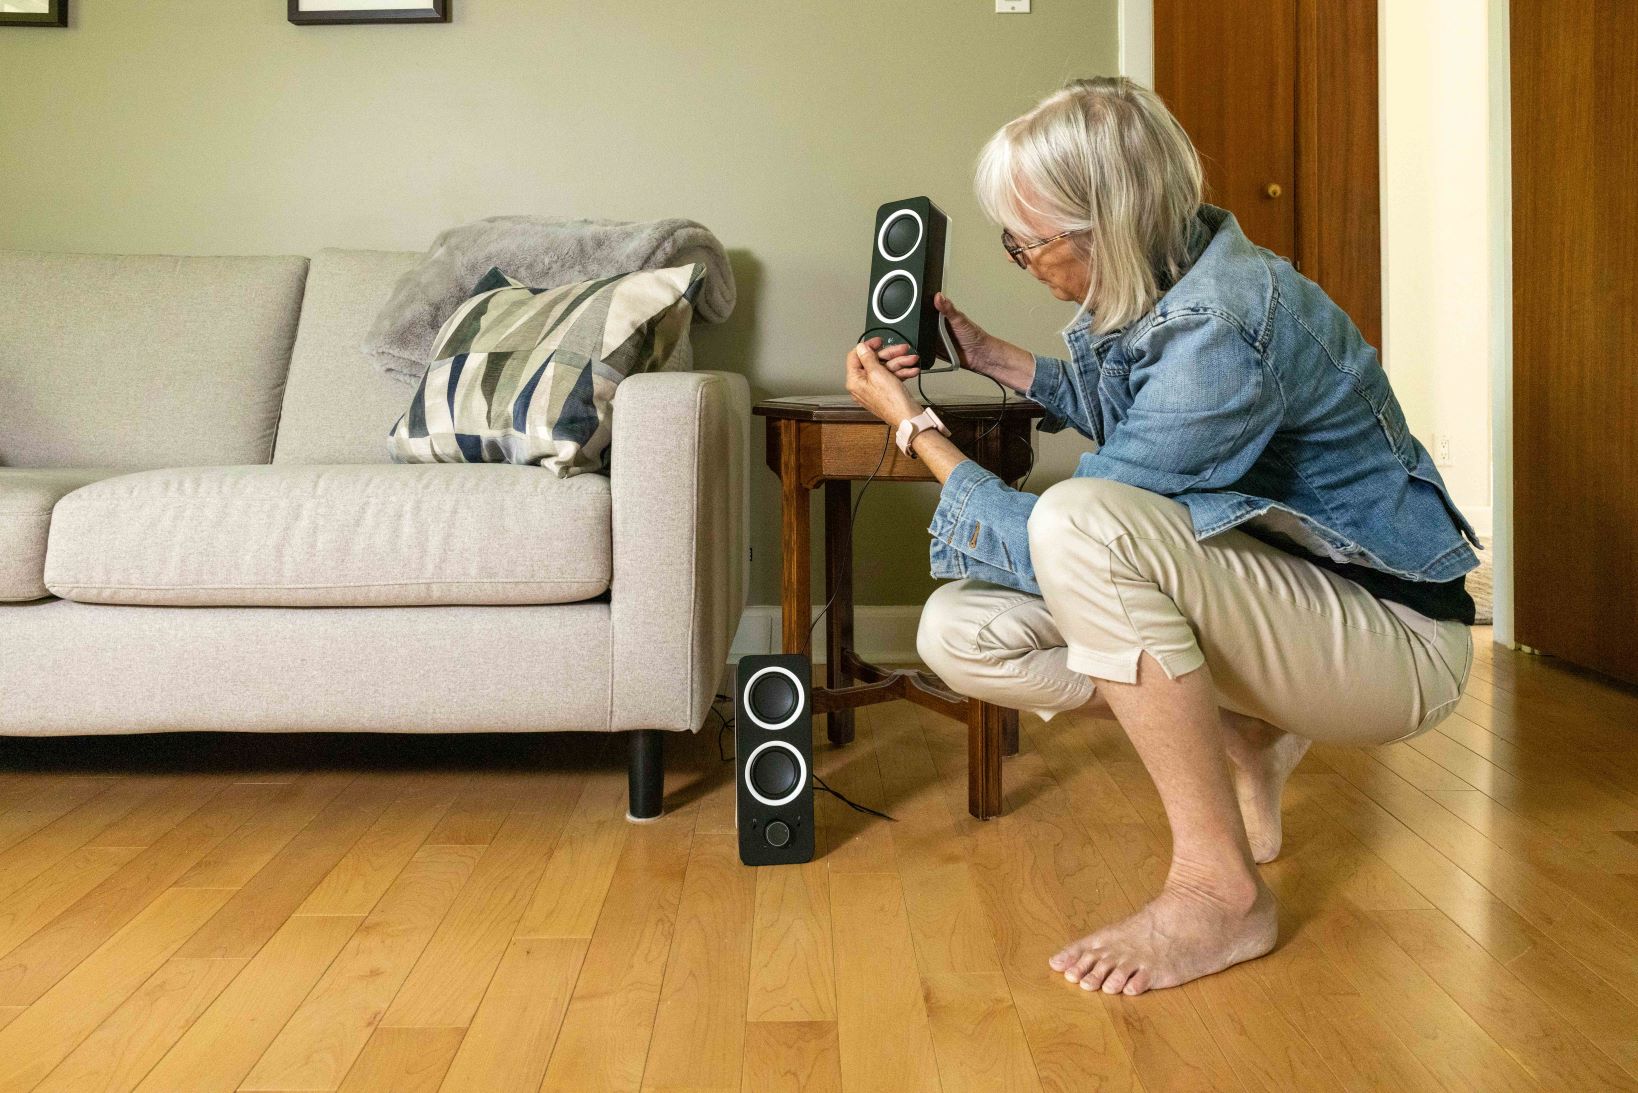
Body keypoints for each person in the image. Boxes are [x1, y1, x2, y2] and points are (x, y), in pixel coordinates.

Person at [842, 76, 1478, 996]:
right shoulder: (1178, 273)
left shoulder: (1224, 324)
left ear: (1108, 224)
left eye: (1030, 243)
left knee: (1077, 523)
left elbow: (1067, 536)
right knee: (958, 634)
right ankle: (1247, 733)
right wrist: (995, 358)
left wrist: (913, 429)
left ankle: (1220, 890)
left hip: (1398, 643)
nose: (1024, 261)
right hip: (1289, 606)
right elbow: (1138, 423)